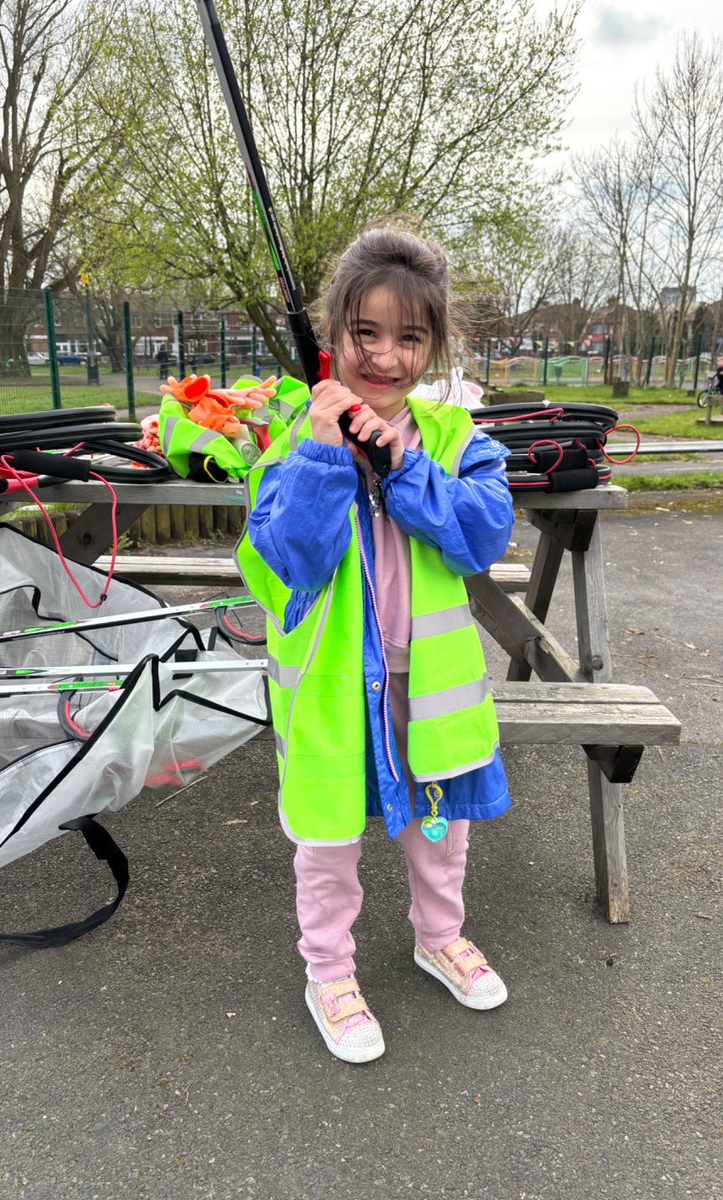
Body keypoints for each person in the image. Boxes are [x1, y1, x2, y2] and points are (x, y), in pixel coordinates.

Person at [236, 224, 515, 1063]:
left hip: (428, 684)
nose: (385, 358)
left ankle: (440, 936)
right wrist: (326, 460)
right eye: (365, 334)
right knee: (328, 838)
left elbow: (480, 536)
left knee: (439, 826)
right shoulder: (293, 446)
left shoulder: (459, 441)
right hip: (330, 691)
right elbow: (284, 565)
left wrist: (403, 466)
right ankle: (329, 971)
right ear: (333, 337)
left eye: (409, 337)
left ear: (433, 347)